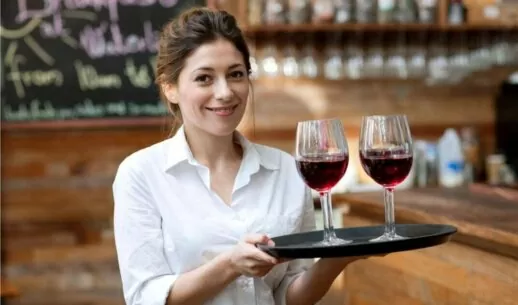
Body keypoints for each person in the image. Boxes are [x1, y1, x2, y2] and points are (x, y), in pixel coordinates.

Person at [112, 7, 365, 305]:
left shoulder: (286, 169)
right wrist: (230, 265)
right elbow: (144, 298)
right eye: (204, 78)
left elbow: (289, 295)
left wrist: (337, 260)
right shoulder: (141, 174)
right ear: (170, 88)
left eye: (235, 74)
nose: (225, 92)